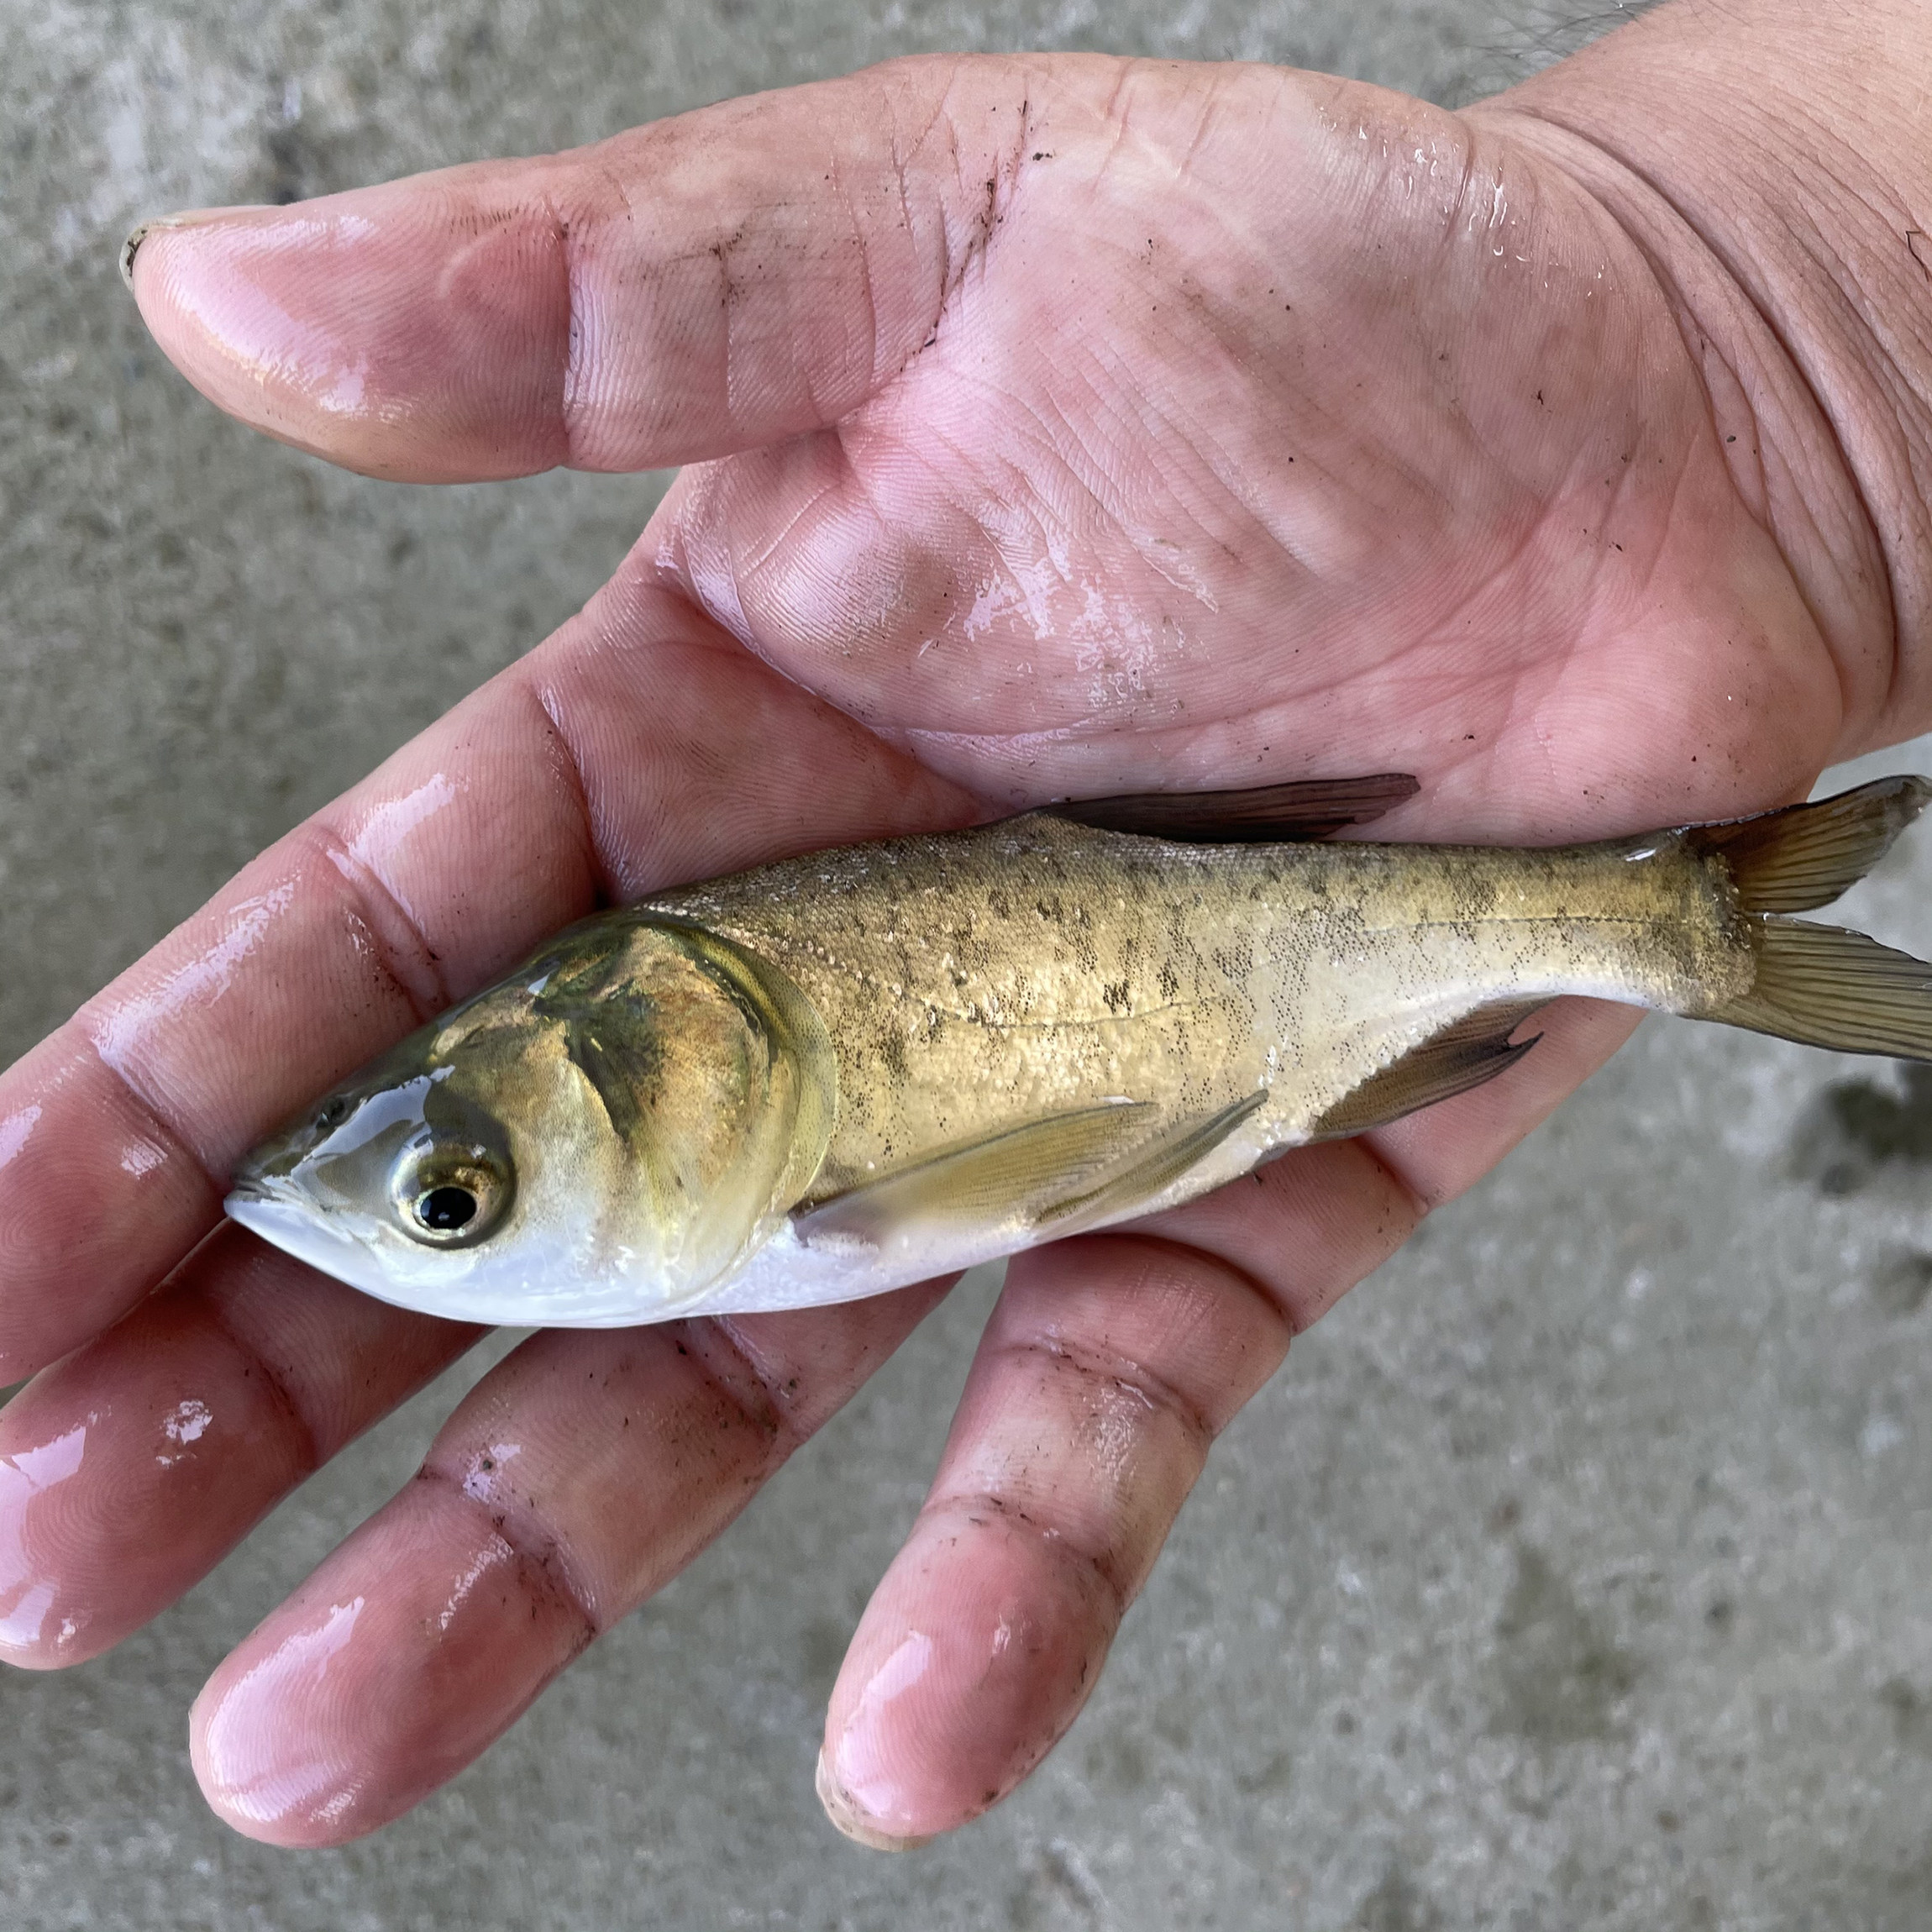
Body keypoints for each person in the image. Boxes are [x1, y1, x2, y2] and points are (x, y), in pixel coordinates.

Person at [2, 0, 1927, 1851]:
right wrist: (1751, 314)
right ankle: (1693, 914)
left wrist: (1739, 309)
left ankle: (1683, 921)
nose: (449, 1231)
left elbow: (1037, 1167)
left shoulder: (790, 1183)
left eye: (457, 1198)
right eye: (458, 1195)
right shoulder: (696, 1072)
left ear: (654, 1067)